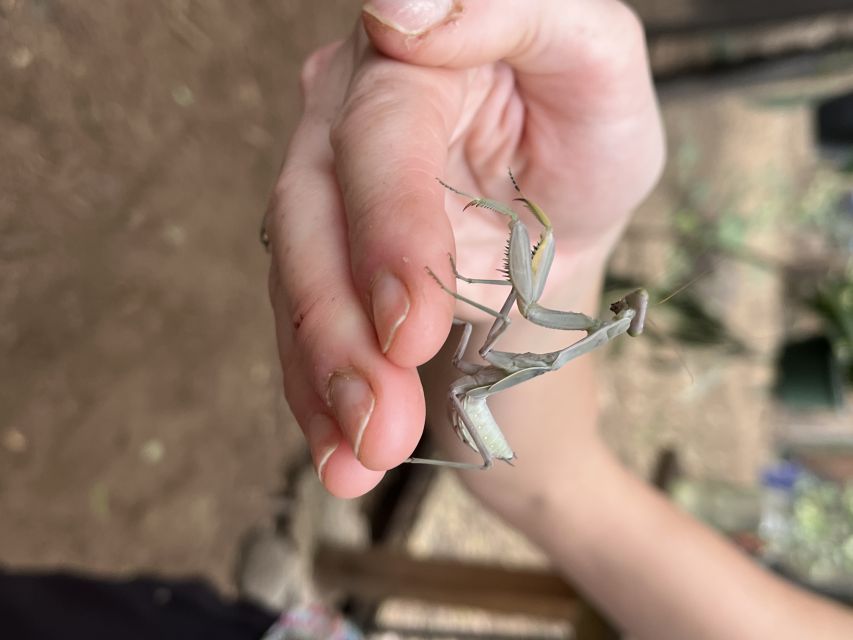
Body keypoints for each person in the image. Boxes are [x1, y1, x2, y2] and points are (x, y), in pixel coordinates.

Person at [264, 0, 853, 637]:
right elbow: (556, 466)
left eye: (626, 313)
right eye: (630, 310)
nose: (626, 308)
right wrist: (569, 238)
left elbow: (532, 409)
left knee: (493, 336)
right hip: (486, 366)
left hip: (481, 386)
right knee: (502, 297)